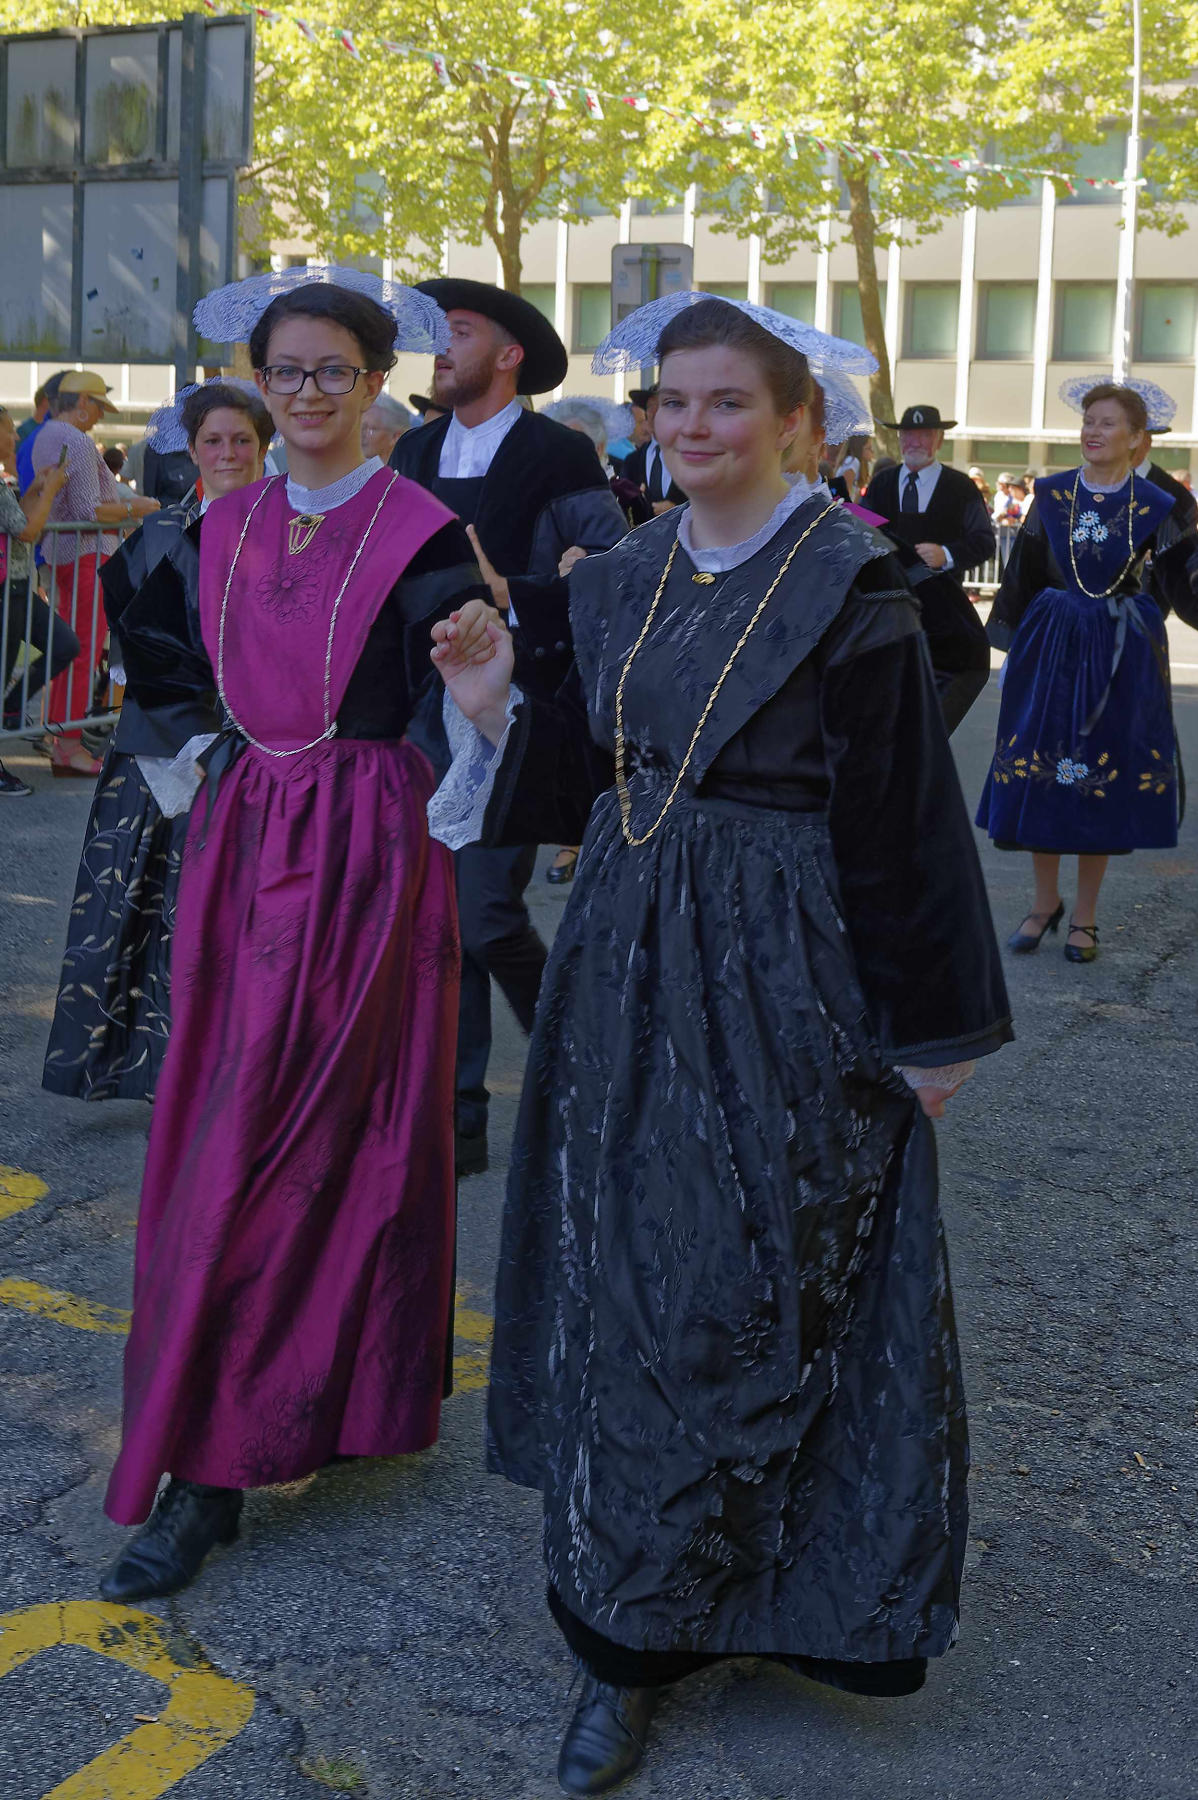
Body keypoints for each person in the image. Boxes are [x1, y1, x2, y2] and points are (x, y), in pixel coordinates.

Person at [428, 293, 1011, 1798]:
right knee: (622, 1267)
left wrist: (928, 1028)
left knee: (753, 1276)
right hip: (623, 952)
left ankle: (768, 1580)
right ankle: (620, 1639)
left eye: (727, 406)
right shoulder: (619, 574)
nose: (692, 429)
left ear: (796, 424)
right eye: (670, 404)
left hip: (788, 964)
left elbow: (902, 827)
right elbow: (579, 771)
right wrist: (493, 704)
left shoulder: (849, 585)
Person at [97, 271, 493, 1602]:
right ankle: (223, 1428)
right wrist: (210, 758)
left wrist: (484, 691)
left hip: (366, 860)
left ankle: (219, 1464)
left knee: (332, 1136)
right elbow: (163, 663)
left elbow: (480, 712)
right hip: (243, 840)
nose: (309, 394)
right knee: (226, 1131)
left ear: (378, 382)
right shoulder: (222, 524)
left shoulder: (427, 532)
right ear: (256, 384)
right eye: (288, 373)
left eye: (334, 372)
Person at [391, 276, 627, 1176]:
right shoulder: (412, 451)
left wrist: (511, 598)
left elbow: (607, 576)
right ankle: (458, 1123)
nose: (439, 350)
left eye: (456, 333)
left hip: (515, 708)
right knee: (436, 922)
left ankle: (580, 1066)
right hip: (417, 710)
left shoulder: (559, 454)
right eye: (434, 337)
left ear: (510, 353)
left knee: (486, 918)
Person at [42, 382, 273, 1099]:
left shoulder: (292, 531)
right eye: (215, 441)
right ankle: (155, 1069)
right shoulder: (162, 532)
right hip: (164, 745)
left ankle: (245, 1075)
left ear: (265, 449)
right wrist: (185, 740)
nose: (228, 453)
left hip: (262, 750)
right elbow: (134, 650)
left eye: (243, 441)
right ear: (192, 449)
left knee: (244, 917)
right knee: (148, 910)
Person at [976, 382, 1195, 964]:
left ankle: (1086, 918)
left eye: (1107, 423)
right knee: (1041, 772)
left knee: (1099, 777)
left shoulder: (1156, 504)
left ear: (1137, 438)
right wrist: (1010, 655)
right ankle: (1044, 903)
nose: (1093, 432)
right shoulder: (1049, 494)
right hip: (1049, 644)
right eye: (1088, 421)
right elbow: (1021, 575)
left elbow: (1183, 580)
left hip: (1119, 651)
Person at [32, 371, 160, 775]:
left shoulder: (47, 435)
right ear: (83, 403)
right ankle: (68, 746)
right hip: (88, 554)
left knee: (71, 648)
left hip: (66, 554)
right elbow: (91, 511)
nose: (100, 416)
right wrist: (137, 509)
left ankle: (61, 740)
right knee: (82, 650)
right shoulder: (78, 441)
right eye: (99, 406)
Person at [867, 404, 994, 731]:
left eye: (924, 434)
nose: (914, 441)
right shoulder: (882, 484)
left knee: (931, 704)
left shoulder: (960, 487)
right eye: (908, 434)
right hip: (888, 611)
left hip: (942, 616)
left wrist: (946, 554)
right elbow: (862, 533)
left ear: (938, 440)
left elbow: (984, 542)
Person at [0, 404, 74, 795]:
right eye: (8, 430)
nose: (14, 438)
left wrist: (36, 490)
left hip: (18, 586)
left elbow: (18, 518)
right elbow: (28, 531)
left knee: (65, 643)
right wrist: (52, 492)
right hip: (6, 590)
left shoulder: (2, 483)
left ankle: (12, 704)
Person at [619, 384, 687, 509]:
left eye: (662, 405)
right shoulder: (633, 461)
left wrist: (676, 510)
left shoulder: (691, 455)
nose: (654, 412)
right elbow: (623, 508)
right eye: (650, 407)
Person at [360, 391, 410, 462]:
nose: (362, 434)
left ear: (395, 437)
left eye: (371, 429)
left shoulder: (408, 470)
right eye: (361, 427)